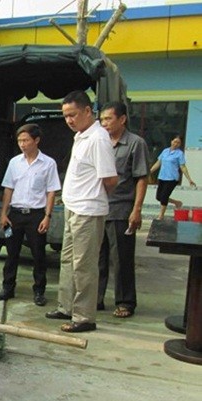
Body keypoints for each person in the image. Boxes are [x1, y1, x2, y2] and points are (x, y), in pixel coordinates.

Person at [45, 91, 118, 333]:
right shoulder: (81, 136)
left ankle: (84, 317)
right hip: (73, 208)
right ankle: (65, 307)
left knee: (84, 265)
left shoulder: (98, 138)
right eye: (65, 116)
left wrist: (93, 198)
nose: (69, 120)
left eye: (73, 115)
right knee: (67, 261)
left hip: (88, 210)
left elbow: (110, 179)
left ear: (88, 111)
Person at [0, 123, 60, 306]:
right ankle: (8, 287)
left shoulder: (48, 163)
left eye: (26, 140)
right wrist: (4, 214)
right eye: (19, 140)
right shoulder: (15, 163)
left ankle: (39, 290)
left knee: (39, 254)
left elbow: (51, 192)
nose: (22, 144)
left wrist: (47, 216)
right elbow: (8, 188)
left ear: (36, 140)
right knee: (11, 253)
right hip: (14, 215)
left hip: (36, 216)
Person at [97, 101, 150, 318]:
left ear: (122, 119)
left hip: (121, 210)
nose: (104, 124)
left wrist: (136, 210)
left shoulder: (135, 144)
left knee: (122, 259)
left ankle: (125, 302)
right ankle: (96, 299)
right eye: (101, 120)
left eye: (108, 119)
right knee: (97, 259)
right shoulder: (100, 143)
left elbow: (141, 178)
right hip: (98, 209)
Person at [150, 134, 196, 220]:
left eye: (178, 143)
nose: (176, 144)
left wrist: (189, 179)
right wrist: (150, 172)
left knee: (164, 196)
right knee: (159, 197)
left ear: (180, 144)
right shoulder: (165, 151)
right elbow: (158, 163)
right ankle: (177, 202)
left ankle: (161, 216)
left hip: (172, 178)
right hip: (162, 176)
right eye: (175, 141)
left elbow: (183, 167)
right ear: (171, 141)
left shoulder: (179, 154)